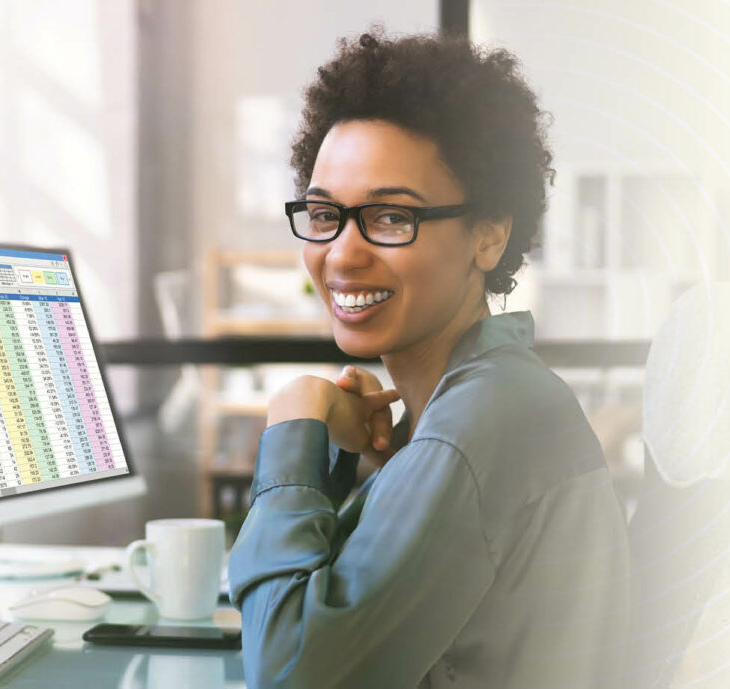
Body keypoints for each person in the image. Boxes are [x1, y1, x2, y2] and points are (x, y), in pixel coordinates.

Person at [227, 30, 632, 688]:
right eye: (326, 213)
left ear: (489, 234)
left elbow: (287, 673)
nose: (343, 253)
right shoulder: (487, 398)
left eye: (390, 216)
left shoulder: (478, 425)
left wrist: (292, 429)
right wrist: (347, 460)